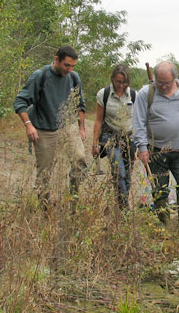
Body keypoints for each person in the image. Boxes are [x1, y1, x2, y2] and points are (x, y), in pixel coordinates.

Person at [132, 61, 179, 238]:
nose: (162, 86)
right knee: (159, 190)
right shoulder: (146, 93)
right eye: (159, 82)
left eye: (167, 83)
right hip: (156, 152)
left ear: (175, 78)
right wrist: (142, 148)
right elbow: (138, 123)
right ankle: (165, 226)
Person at [14, 46, 88, 201]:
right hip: (44, 128)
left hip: (68, 125)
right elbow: (20, 101)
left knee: (79, 160)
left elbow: (80, 104)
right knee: (45, 173)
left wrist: (81, 128)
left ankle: (73, 200)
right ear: (56, 60)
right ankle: (45, 208)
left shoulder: (74, 77)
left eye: (73, 66)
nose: (69, 69)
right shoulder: (40, 75)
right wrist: (28, 125)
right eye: (66, 65)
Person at [92, 64, 136, 207]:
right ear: (112, 79)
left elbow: (140, 119)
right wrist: (94, 144)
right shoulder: (103, 94)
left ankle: (121, 203)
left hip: (129, 139)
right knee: (119, 172)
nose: (121, 85)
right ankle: (124, 208)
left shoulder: (134, 95)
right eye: (118, 82)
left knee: (127, 175)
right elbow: (98, 120)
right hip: (109, 137)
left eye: (124, 82)